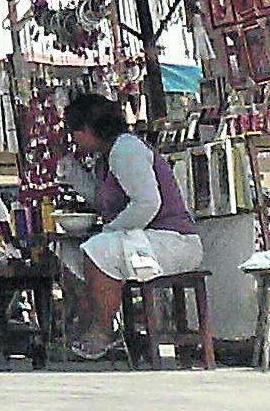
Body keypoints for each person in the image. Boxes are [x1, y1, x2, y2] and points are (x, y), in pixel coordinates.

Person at [55, 93, 201, 361]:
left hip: (172, 241)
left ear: (86, 129)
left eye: (74, 132)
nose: (73, 139)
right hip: (147, 237)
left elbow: (147, 204)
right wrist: (72, 172)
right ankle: (91, 322)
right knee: (69, 252)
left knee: (99, 249)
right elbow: (102, 200)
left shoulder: (126, 148)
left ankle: (103, 330)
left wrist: (110, 232)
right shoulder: (106, 156)